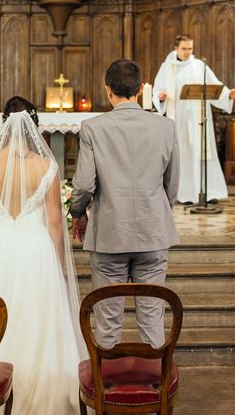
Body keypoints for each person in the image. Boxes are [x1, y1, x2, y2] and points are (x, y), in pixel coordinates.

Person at [0, 97, 85, 414]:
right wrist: (58, 267)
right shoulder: (46, 166)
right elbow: (53, 222)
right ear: (34, 127)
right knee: (36, 320)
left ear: (4, 125)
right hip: (36, 251)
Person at [70, 59, 180, 349]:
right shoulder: (165, 127)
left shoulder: (93, 127)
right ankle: (155, 385)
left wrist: (78, 213)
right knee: (152, 317)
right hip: (153, 232)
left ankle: (105, 388)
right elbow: (173, 184)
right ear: (141, 88)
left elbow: (83, 184)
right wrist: (156, 212)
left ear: (108, 90)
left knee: (107, 322)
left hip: (109, 233)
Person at [153, 34, 235, 204]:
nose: (187, 52)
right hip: (179, 119)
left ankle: (208, 192)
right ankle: (184, 194)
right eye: (184, 48)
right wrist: (160, 96)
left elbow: (215, 86)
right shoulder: (167, 67)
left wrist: (228, 93)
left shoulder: (200, 66)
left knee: (203, 154)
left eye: (190, 48)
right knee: (183, 155)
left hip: (200, 118)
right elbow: (158, 89)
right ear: (175, 49)